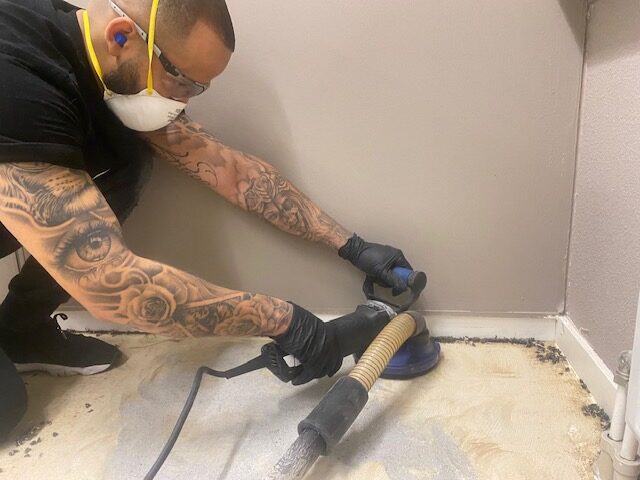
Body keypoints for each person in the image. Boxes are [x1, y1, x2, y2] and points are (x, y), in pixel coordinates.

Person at [0, 0, 414, 440]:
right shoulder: (18, 86)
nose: (183, 101)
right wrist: (286, 321)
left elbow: (231, 171)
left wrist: (351, 245)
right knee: (7, 410)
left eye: (197, 88)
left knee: (127, 156)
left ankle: (20, 331)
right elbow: (108, 282)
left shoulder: (106, 58)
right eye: (181, 80)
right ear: (121, 36)